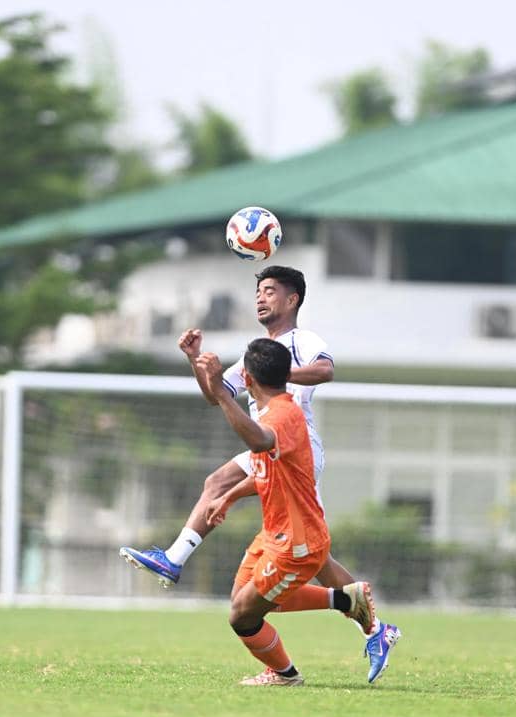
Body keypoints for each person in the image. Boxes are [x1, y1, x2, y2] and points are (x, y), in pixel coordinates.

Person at [118, 265, 399, 677]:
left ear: (292, 300)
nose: (260, 298)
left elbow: (325, 370)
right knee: (313, 554)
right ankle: (372, 625)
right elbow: (218, 396)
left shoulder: (299, 341)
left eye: (270, 291)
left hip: (290, 441)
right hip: (270, 443)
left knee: (303, 546)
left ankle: (176, 559)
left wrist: (275, 373)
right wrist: (197, 361)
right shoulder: (258, 353)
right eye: (258, 292)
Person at [193, 337, 400, 685]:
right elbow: (264, 470)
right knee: (243, 602)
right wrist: (228, 497)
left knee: (243, 617)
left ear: (246, 377)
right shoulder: (271, 413)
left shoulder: (284, 415)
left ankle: (285, 673)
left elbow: (258, 441)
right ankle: (346, 599)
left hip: (297, 545)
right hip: (276, 534)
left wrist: (223, 394)